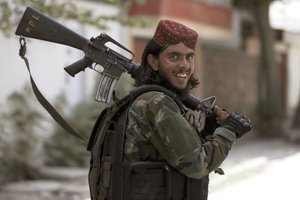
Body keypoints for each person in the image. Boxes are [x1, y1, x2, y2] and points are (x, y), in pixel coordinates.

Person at [88, 19, 252, 200]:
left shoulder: (146, 99)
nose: (184, 65)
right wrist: (229, 131)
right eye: (174, 56)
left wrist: (209, 130)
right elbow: (197, 164)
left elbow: (177, 153)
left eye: (189, 57)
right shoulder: (157, 103)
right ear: (154, 61)